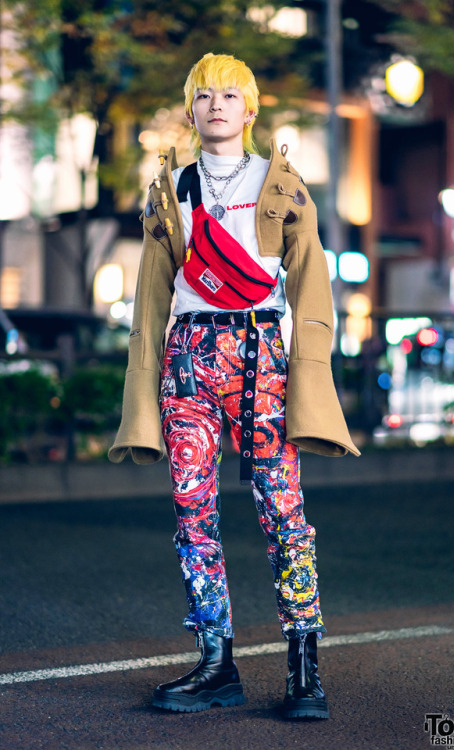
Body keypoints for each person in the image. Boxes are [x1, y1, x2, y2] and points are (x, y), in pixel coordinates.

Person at [109, 52, 360, 719]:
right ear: (191, 111)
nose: (216, 104)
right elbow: (150, 300)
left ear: (251, 110)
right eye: (203, 95)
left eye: (229, 95)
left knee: (284, 515)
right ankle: (215, 662)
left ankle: (304, 669)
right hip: (188, 360)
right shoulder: (172, 190)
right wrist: (144, 385)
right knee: (193, 516)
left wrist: (310, 376)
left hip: (262, 360)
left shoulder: (284, 185)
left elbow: (311, 292)